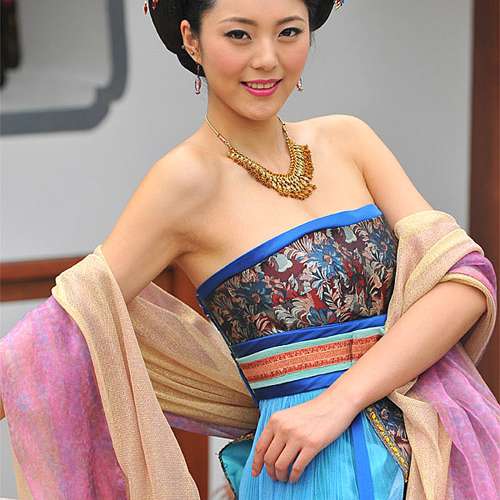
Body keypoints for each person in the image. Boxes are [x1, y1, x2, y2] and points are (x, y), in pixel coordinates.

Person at [96, 0, 493, 498]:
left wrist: (339, 401)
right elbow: (75, 321)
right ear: (192, 40)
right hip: (307, 473)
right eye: (239, 35)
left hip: (434, 450)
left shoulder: (348, 140)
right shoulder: (181, 182)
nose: (268, 58)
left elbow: (463, 280)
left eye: (288, 32)